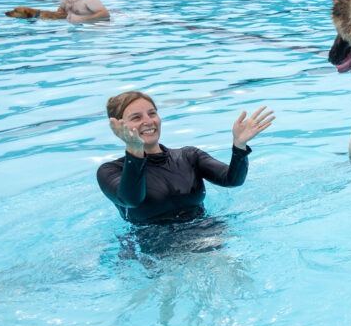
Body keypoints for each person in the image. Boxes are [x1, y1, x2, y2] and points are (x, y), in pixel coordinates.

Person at [97, 91, 275, 225]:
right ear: (118, 126)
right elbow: (131, 199)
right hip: (154, 250)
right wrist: (134, 150)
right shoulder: (110, 171)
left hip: (205, 233)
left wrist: (239, 146)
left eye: (152, 113)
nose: (149, 121)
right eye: (136, 117)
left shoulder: (188, 156)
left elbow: (232, 180)